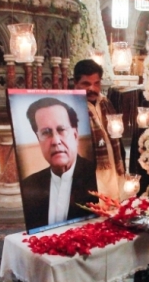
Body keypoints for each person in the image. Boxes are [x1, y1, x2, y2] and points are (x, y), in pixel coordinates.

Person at [19, 97, 97, 230]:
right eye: (46, 133)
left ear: (75, 135)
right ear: (39, 140)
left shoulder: (96, 176)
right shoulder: (29, 186)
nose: (55, 141)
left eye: (61, 130)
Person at [73, 59, 125, 200]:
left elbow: (116, 138)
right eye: (86, 84)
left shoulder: (105, 102)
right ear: (75, 83)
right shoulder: (71, 107)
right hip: (90, 175)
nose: (93, 88)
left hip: (112, 167)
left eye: (96, 83)